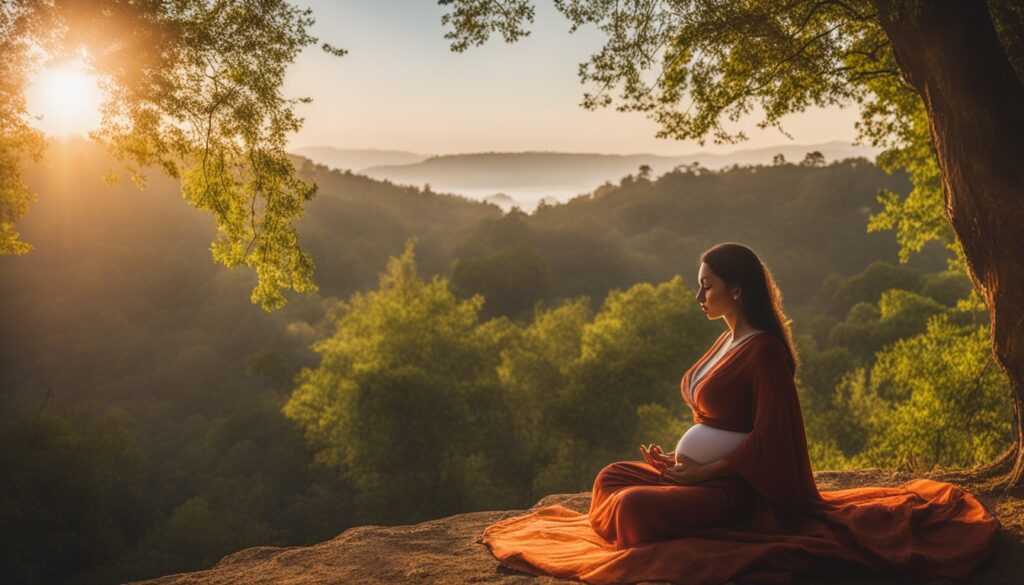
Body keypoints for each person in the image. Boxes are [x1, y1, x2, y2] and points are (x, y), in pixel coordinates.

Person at [482, 242, 1000, 585]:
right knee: (609, 477)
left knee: (634, 508)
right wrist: (676, 465)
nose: (699, 294)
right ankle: (659, 506)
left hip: (736, 491)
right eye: (700, 284)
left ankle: (659, 522)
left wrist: (703, 471)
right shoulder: (725, 340)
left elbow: (769, 440)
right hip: (697, 480)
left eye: (706, 285)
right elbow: (715, 421)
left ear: (738, 288)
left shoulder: (765, 352)